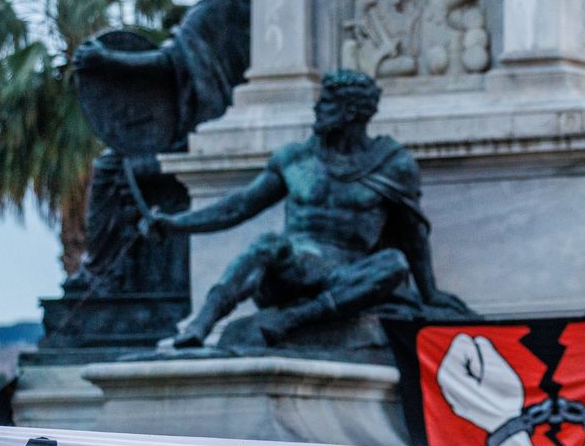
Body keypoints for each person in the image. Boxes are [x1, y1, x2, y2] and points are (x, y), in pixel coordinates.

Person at [145, 69, 466, 348]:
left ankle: (293, 319)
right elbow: (238, 206)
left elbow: (413, 236)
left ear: (350, 112)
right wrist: (175, 224)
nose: (316, 109)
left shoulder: (392, 164)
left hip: (347, 274)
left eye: (326, 103)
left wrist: (430, 293)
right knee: (267, 244)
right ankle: (202, 323)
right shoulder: (295, 158)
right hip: (293, 271)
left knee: (394, 264)